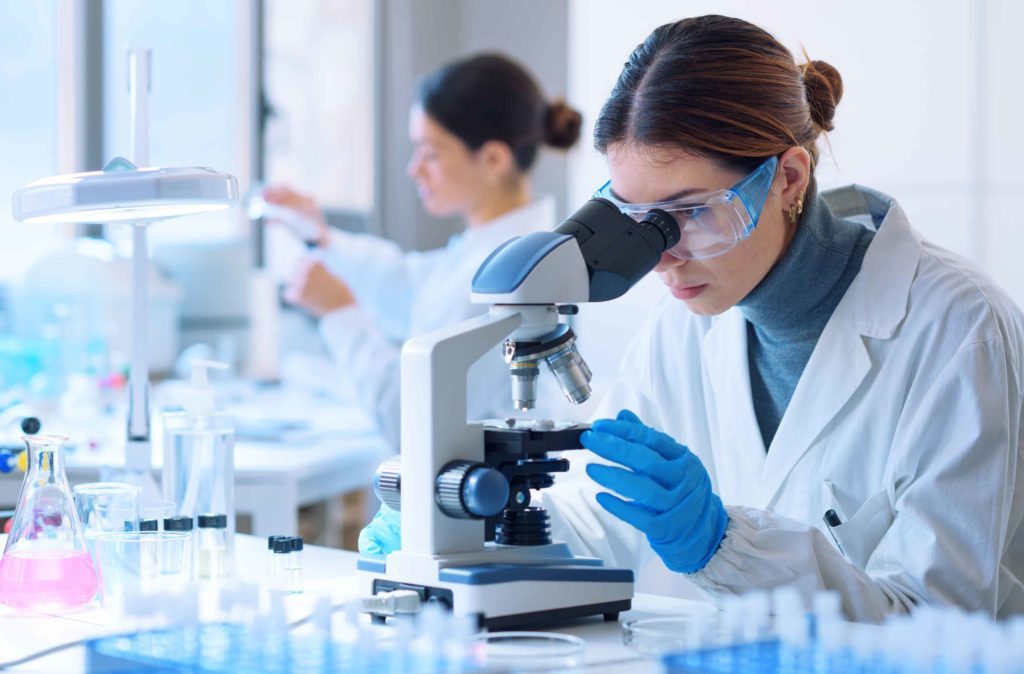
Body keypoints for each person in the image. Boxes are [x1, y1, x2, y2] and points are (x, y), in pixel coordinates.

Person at [360, 16, 1024, 622]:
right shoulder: (690, 320)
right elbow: (605, 518)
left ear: (789, 179)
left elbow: (942, 624)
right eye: (638, 222)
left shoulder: (958, 329)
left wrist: (722, 546)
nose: (662, 258)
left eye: (694, 212)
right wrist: (469, 531)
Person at [265, 54, 582, 450]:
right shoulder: (492, 250)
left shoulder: (511, 277)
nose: (414, 169)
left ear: (493, 160)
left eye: (430, 152)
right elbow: (410, 284)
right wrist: (320, 238)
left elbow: (413, 424)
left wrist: (339, 315)